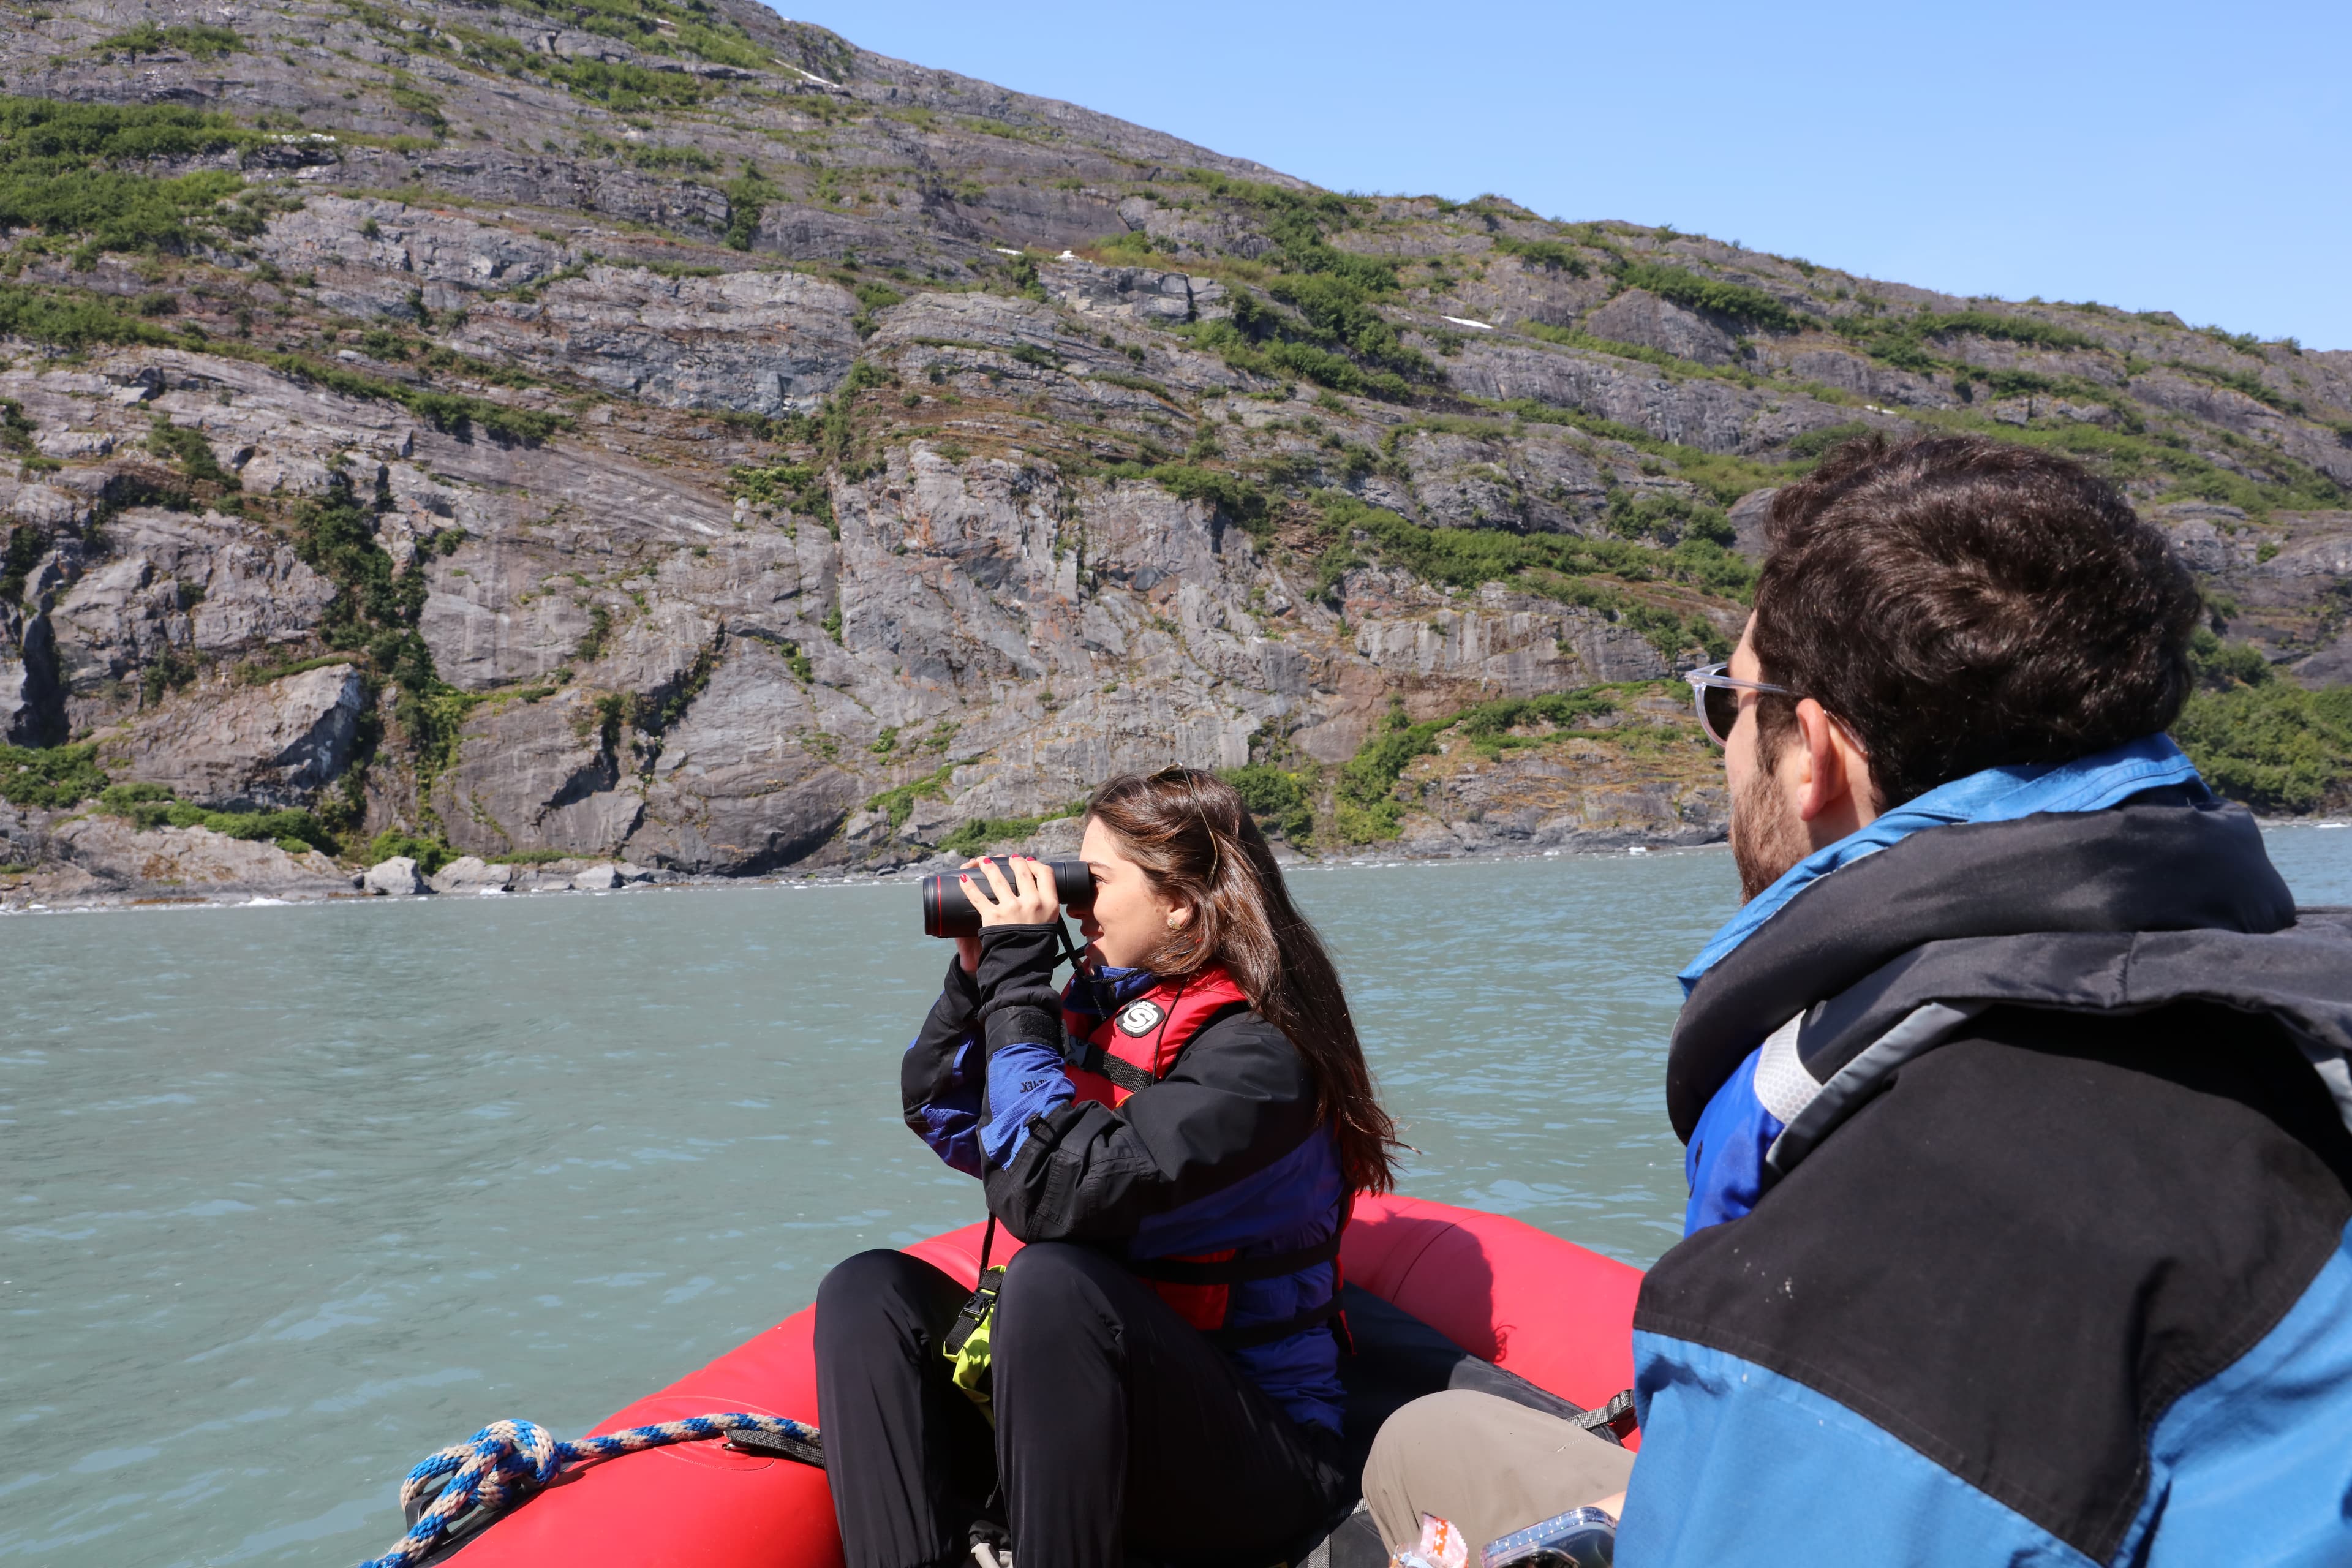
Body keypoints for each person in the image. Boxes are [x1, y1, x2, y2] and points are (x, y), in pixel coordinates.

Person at [1362, 434, 2352, 1564]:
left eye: (1729, 705)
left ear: (1812, 755)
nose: (1725, 741)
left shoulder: (1913, 1207)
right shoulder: (2283, 990)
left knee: (1419, 1452)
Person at [814, 767, 1400, 1568]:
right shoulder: (1115, 1008)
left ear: (1179, 905)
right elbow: (945, 1116)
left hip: (1257, 1456)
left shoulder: (1261, 1063)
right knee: (868, 1290)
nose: (1076, 902)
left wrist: (1021, 989)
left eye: (1096, 882)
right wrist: (976, 979)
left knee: (1055, 1284)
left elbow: (1046, 1193)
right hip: (1098, 1419)